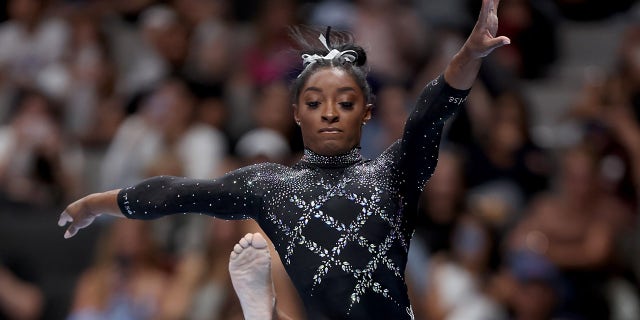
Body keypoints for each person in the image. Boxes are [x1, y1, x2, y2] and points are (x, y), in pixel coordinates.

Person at [58, 0, 509, 318]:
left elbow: (432, 111)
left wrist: (468, 55)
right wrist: (98, 202)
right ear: (296, 113)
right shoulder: (271, 185)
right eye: (315, 103)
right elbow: (180, 192)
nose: (330, 113)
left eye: (346, 103)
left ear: (367, 112)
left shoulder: (392, 172)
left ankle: (268, 314)